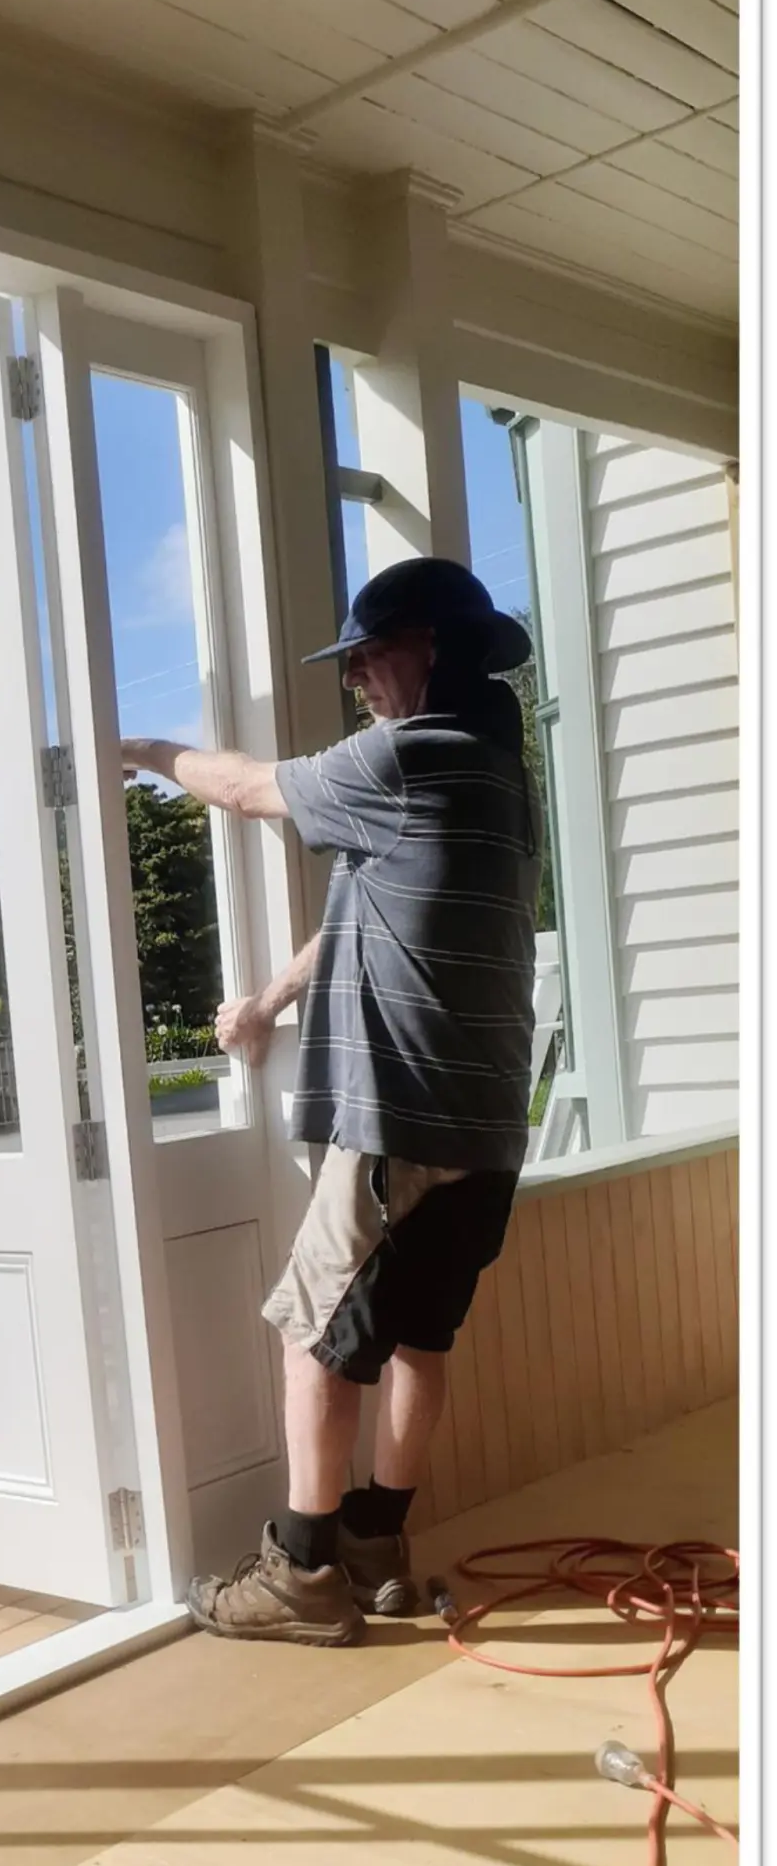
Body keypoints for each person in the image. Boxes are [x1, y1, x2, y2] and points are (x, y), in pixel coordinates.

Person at [118, 556, 541, 1647]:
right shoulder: (491, 767)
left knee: (311, 1336)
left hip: (403, 1123)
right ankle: (377, 1551)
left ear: (430, 650)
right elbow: (365, 910)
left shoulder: (410, 755)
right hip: (482, 1132)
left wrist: (131, 750)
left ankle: (301, 1576)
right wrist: (265, 999)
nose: (353, 675)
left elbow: (246, 788)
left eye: (367, 653)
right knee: (415, 1342)